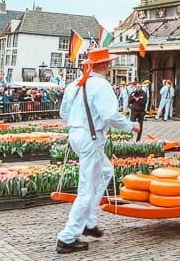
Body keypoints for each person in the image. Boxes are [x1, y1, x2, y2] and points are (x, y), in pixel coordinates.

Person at [56, 48, 140, 254]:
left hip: (77, 135)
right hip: (90, 138)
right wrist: (131, 126)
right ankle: (67, 236)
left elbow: (63, 112)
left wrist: (79, 124)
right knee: (87, 188)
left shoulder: (75, 84)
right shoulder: (101, 85)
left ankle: (89, 221)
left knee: (106, 171)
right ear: (104, 65)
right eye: (109, 63)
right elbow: (111, 114)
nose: (110, 66)